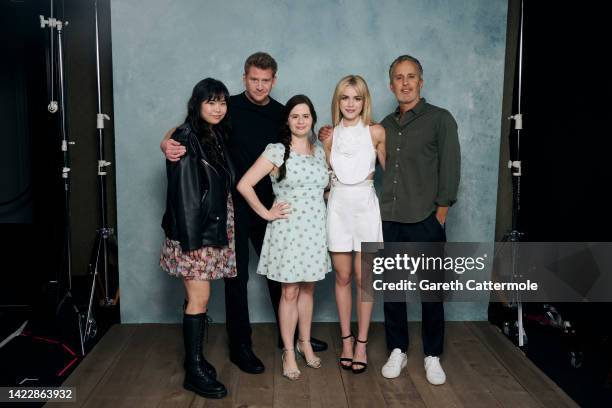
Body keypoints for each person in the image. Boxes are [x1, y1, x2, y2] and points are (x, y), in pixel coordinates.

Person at [161, 53, 327, 374]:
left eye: (266, 80)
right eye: (254, 79)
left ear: (274, 80)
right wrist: (165, 142)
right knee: (236, 279)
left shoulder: (282, 114)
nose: (260, 85)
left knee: (284, 276)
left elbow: (303, 141)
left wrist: (326, 137)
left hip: (275, 207)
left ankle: (290, 338)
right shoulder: (226, 107)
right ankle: (241, 346)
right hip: (235, 207)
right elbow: (188, 126)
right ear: (244, 78)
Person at [320, 55, 460, 385]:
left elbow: (450, 169)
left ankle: (432, 355)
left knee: (430, 290)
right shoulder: (383, 125)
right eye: (399, 78)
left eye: (411, 77)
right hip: (390, 217)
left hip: (427, 217)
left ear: (421, 82)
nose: (405, 82)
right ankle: (397, 348)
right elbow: (361, 157)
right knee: (393, 289)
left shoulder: (440, 119)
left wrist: (441, 212)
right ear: (390, 85)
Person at [237, 95, 331, 380]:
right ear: (287, 121)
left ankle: (305, 344)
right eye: (295, 116)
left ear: (312, 118)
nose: (301, 121)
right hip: (288, 232)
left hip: (316, 229)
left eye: (305, 115)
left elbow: (322, 191)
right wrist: (266, 213)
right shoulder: (278, 151)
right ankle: (288, 350)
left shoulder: (319, 151)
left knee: (308, 290)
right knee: (289, 291)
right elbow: (244, 184)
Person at [160, 78, 235, 399]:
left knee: (197, 299)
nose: (218, 108)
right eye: (211, 102)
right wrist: (193, 246)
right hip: (197, 233)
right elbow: (186, 195)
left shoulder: (213, 133)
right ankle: (193, 370)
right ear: (197, 104)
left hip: (210, 226)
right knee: (199, 299)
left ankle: (198, 360)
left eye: (222, 102)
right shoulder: (186, 137)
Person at [321, 75, 385, 374]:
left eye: (356, 98)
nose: (350, 103)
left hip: (366, 209)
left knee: (365, 281)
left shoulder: (376, 132)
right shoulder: (328, 136)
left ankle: (362, 343)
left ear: (364, 101)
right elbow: (323, 179)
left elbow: (396, 170)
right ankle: (346, 340)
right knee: (343, 277)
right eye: (344, 98)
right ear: (338, 101)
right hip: (338, 210)